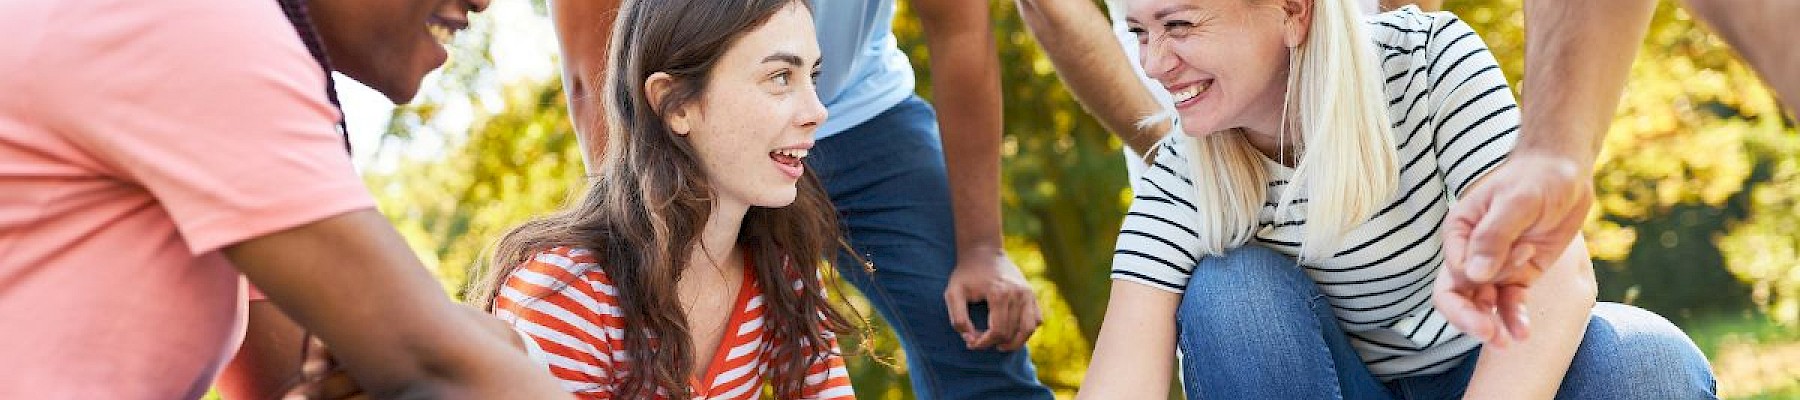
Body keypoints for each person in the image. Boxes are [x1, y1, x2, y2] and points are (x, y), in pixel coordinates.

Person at [1074, 0, 1716, 398]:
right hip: (1340, 385)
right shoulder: (1186, 167)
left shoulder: (1427, 63)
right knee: (1231, 292)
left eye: (1179, 25)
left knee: (1647, 359)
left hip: (1497, 374)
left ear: (1292, 11)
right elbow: (1123, 374)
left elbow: (1556, 282)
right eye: (1140, 33)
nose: (1153, 64)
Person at [0, 0, 571, 398]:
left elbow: (301, 380)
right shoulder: (193, 26)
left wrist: (492, 345)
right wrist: (469, 354)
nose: (483, 1)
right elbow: (435, 367)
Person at [547, 0, 1054, 398]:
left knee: (977, 328)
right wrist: (645, 260)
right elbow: (595, 74)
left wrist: (982, 247)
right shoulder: (560, 297)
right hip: (708, 122)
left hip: (866, 112)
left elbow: (960, 31)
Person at [467, 0, 855, 398]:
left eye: (812, 76)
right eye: (780, 77)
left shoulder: (779, 266)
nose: (817, 111)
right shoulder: (566, 294)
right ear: (676, 104)